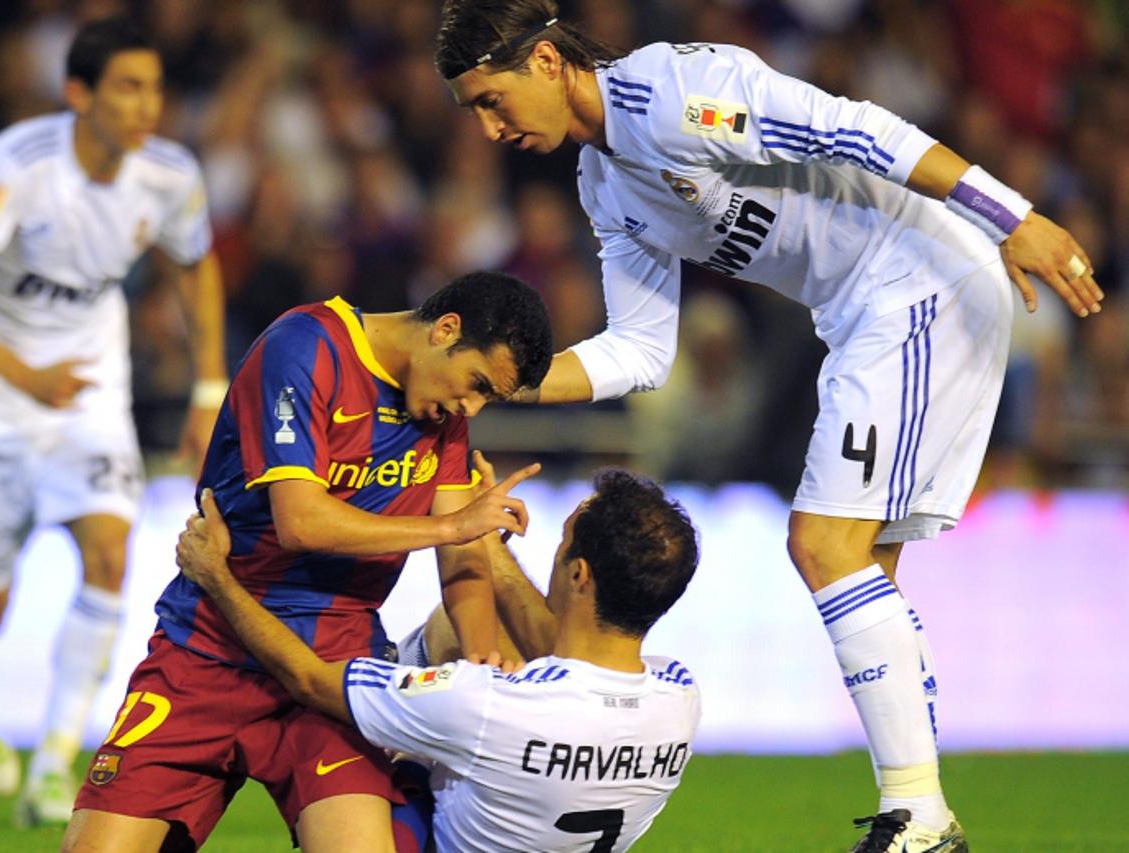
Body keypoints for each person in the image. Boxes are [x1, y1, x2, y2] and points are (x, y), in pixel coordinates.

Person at [433, 2, 1106, 850]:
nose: (490, 129)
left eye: (490, 100)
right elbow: (640, 351)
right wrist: (497, 383)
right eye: (473, 114)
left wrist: (1011, 214)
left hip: (919, 279)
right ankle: (919, 812)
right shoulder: (606, 183)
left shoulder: (673, 93)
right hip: (869, 310)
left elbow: (852, 130)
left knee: (824, 545)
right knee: (862, 575)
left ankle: (921, 820)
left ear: (543, 61)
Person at [62, 272, 554, 853]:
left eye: (485, 399)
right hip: (212, 646)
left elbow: (463, 557)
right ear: (446, 330)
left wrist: (477, 653)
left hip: (335, 668)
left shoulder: (442, 411)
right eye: (474, 384)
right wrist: (452, 524)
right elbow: (300, 521)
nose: (469, 406)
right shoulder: (307, 345)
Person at [0, 17, 226, 826]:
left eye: (154, 86)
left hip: (85, 390)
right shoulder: (16, 168)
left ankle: (55, 761)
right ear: (78, 93)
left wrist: (206, 389)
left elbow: (196, 266)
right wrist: (21, 373)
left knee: (110, 552)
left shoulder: (169, 174)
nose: (146, 105)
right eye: (126, 86)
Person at [174, 458, 702, 853]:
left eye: (564, 546)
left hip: (430, 814)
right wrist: (484, 539)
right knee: (465, 631)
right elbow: (560, 647)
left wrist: (218, 579)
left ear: (579, 575)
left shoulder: (488, 705)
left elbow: (309, 679)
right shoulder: (679, 697)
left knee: (326, 720)